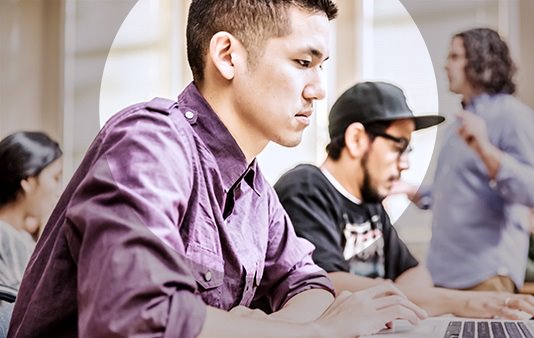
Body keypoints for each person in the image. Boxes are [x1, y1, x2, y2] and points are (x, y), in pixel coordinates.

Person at [8, 1, 427, 338]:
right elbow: (138, 319)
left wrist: (273, 326)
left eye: (321, 66)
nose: (318, 88)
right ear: (227, 56)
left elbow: (308, 283)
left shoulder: (254, 188)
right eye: (303, 62)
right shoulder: (150, 142)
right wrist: (318, 332)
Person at [275, 81, 534, 320]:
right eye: (397, 147)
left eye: (409, 149)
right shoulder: (305, 188)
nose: (405, 164)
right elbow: (325, 283)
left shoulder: (370, 204)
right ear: (356, 139)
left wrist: (401, 299)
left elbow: (416, 273)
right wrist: (461, 301)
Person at [406, 28, 534, 292]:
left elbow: (532, 191)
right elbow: (458, 194)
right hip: (443, 275)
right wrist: (414, 192)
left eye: (455, 56)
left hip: (486, 276)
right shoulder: (456, 127)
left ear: (482, 61)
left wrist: (485, 149)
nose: (446, 64)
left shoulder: (513, 116)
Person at [0, 131, 63, 289]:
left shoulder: (20, 237)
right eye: (55, 178)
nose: (59, 191)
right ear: (28, 181)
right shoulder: (6, 239)